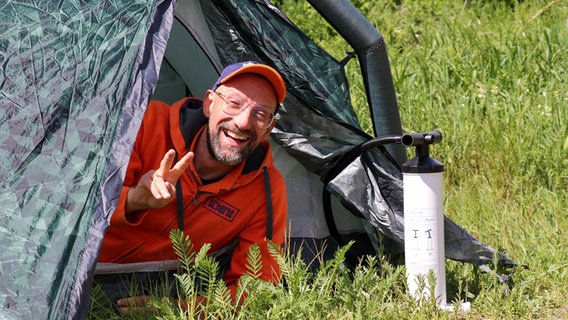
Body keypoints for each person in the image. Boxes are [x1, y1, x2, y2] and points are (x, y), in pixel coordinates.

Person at [94, 61, 288, 313]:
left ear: (269, 129)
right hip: (74, 267)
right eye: (234, 103)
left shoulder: (266, 189)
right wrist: (133, 200)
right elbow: (72, 202)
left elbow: (256, 287)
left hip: (169, 289)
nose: (242, 122)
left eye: (260, 115)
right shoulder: (144, 121)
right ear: (209, 103)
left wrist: (181, 309)